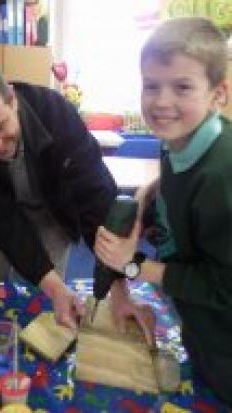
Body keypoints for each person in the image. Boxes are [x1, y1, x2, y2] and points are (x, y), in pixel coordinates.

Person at [95, 17, 232, 407]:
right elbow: (176, 171)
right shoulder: (181, 135)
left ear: (218, 94)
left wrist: (134, 266)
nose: (161, 102)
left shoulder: (222, 179)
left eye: (182, 87)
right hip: (198, 322)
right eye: (150, 85)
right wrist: (144, 196)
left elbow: (225, 287)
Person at [0, 55, 117, 331]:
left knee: (47, 297)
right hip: (4, 213)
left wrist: (116, 281)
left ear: (12, 99)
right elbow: (1, 218)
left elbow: (94, 197)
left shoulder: (56, 113)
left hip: (54, 213)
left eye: (0, 126)